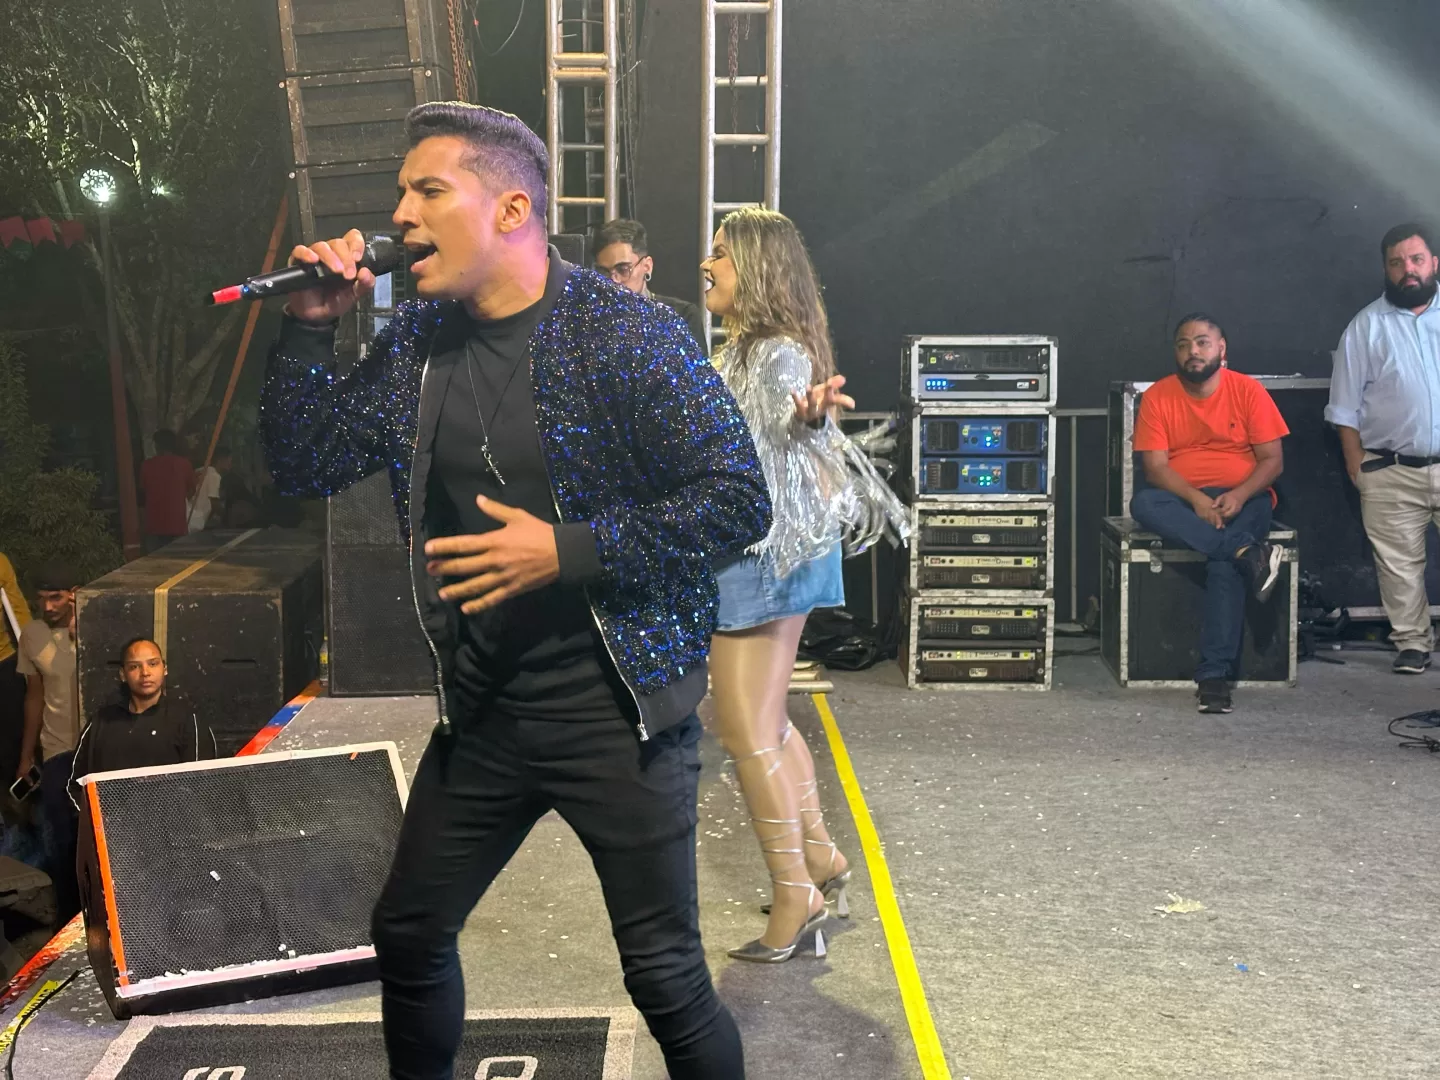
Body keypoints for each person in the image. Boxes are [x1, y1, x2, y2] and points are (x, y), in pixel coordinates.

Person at [260, 102, 770, 1080]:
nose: (400, 216)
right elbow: (305, 460)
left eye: (429, 190)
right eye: (401, 192)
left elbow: (736, 500)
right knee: (409, 933)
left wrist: (567, 551)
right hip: (486, 716)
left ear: (510, 210)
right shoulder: (420, 342)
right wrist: (308, 332)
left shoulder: (625, 333)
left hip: (618, 716)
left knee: (664, 976)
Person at [700, 207, 907, 962]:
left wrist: (813, 422)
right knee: (766, 723)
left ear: (757, 267)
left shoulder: (776, 355)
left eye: (721, 254)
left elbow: (795, 435)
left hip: (764, 556)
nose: (707, 265)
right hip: (766, 554)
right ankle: (818, 856)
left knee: (745, 732)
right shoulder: (745, 351)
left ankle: (797, 894)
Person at [1129, 314, 1289, 714]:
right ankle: (1246, 552)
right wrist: (1197, 499)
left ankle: (1214, 677)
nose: (1192, 351)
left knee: (1222, 566)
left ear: (1221, 348)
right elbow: (1156, 469)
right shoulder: (1158, 396)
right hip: (1183, 499)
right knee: (1143, 503)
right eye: (1183, 344)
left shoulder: (1248, 390)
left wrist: (1240, 493)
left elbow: (1272, 461)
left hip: (1246, 497)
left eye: (1202, 342)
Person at [1326, 223, 1440, 675]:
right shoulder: (1365, 327)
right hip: (1389, 470)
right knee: (1398, 566)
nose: (1407, 270)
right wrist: (1358, 468)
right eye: (1397, 263)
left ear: (1434, 263)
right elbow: (1344, 407)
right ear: (1386, 270)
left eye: (1416, 259)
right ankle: (1412, 643)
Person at [68, 637, 216, 804]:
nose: (145, 673)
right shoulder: (101, 722)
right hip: (109, 819)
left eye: (153, 664)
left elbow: (203, 787)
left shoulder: (188, 720)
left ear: (165, 669)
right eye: (134, 666)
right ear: (123, 675)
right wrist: (94, 819)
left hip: (171, 819)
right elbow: (75, 786)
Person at [15, 561, 84, 918]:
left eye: (56, 597)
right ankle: (69, 917)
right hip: (58, 750)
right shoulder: (32, 634)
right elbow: (34, 695)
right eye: (41, 598)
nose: (48, 606)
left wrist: (82, 630)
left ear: (74, 595)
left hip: (95, 747)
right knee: (61, 841)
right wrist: (26, 755)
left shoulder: (95, 626)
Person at [593, 218, 709, 353]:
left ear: (647, 266)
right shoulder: (590, 322)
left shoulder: (683, 316)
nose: (614, 280)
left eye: (623, 269)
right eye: (604, 272)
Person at [139, 429, 194, 551]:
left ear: (157, 445)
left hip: (153, 524)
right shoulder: (185, 464)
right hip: (177, 524)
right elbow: (191, 491)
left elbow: (142, 495)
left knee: (153, 560)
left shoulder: (146, 466)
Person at [187, 448, 225, 533]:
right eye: (229, 460)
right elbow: (214, 503)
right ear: (220, 460)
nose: (230, 463)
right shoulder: (214, 476)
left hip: (189, 518)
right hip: (199, 522)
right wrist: (227, 516)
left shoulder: (199, 471)